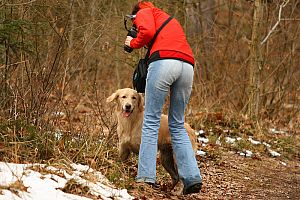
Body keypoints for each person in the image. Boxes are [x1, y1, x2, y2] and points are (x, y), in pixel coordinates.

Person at [124, 1, 202, 195]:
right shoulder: (167, 18)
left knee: (151, 119)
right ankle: (192, 177)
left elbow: (147, 32)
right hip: (187, 66)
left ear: (135, 15)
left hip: (164, 63)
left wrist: (132, 43)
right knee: (177, 123)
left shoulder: (143, 12)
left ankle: (145, 177)